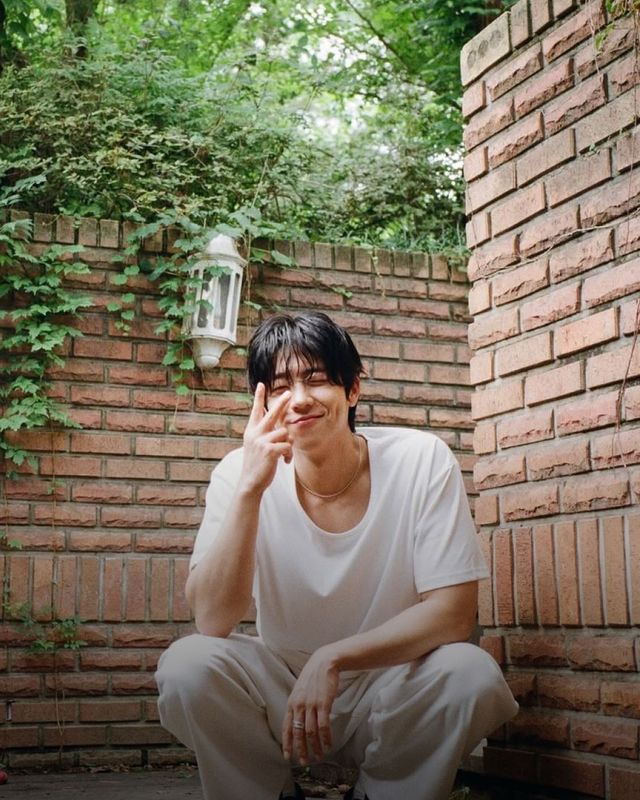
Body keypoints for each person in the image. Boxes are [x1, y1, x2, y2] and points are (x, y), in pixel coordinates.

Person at [155, 311, 518, 800]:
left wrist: (334, 658)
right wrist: (249, 491)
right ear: (262, 403)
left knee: (470, 673)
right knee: (188, 665)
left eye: (316, 379)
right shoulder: (238, 474)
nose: (299, 399)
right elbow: (212, 620)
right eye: (280, 386)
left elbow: (454, 615)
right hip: (283, 690)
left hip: (393, 687)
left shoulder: (420, 459)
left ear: (352, 389)